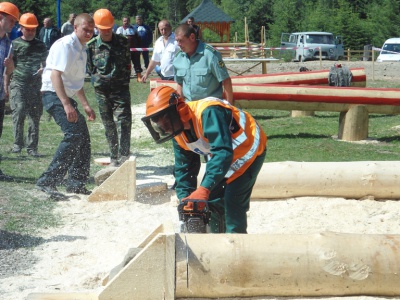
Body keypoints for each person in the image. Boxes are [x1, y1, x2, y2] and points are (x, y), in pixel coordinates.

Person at [142, 86, 267, 233]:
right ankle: (216, 239)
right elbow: (184, 168)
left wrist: (204, 188)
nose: (165, 129)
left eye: (167, 124)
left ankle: (235, 244)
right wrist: (186, 200)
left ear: (179, 110)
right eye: (161, 127)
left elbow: (222, 153)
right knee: (212, 199)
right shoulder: (178, 132)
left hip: (249, 146)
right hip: (225, 153)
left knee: (232, 200)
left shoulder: (208, 113)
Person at [36, 13, 96, 197]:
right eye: (85, 29)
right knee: (73, 134)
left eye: (91, 30)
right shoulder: (66, 46)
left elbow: (75, 83)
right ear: (75, 28)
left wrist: (85, 105)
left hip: (64, 95)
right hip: (52, 94)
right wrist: (66, 105)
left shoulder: (82, 49)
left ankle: (76, 183)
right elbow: (55, 76)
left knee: (83, 138)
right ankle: (48, 180)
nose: (88, 33)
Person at [87, 9, 132, 167]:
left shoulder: (123, 42)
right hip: (102, 92)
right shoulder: (91, 46)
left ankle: (125, 156)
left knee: (124, 122)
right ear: (96, 28)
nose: (106, 31)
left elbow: (128, 63)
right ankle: (114, 157)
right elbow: (90, 69)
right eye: (102, 28)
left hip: (121, 89)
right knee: (109, 124)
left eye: (108, 28)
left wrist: (124, 82)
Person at [8, 13, 47, 157]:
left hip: (36, 85)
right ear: (21, 28)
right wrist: (7, 85)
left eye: (33, 29)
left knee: (34, 116)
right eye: (27, 29)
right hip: (19, 83)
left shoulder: (41, 45)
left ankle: (32, 147)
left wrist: (44, 69)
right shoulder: (15, 44)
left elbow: (46, 63)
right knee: (19, 111)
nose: (30, 32)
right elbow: (10, 65)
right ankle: (17, 144)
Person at [173, 24, 233, 104]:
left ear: (192, 37)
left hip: (210, 106)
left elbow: (226, 80)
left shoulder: (210, 55)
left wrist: (229, 107)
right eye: (177, 41)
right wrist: (179, 106)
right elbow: (180, 84)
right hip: (189, 106)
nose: (178, 44)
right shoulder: (178, 58)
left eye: (181, 40)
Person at [0, 1, 19, 182]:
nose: (14, 25)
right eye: (11, 21)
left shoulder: (8, 43)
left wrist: (11, 66)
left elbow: (9, 69)